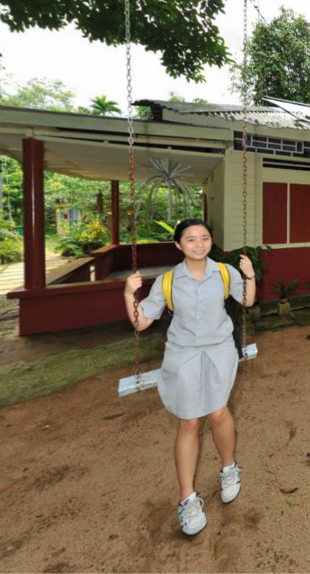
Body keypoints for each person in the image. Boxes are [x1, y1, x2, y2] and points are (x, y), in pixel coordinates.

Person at [123, 218, 256, 537]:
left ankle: (228, 468)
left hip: (219, 350)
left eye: (205, 238)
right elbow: (142, 323)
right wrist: (129, 294)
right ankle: (187, 498)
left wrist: (249, 273)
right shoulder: (168, 281)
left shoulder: (225, 272)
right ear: (179, 245)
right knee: (188, 421)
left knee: (217, 412)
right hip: (182, 353)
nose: (199, 243)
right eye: (191, 239)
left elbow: (247, 301)